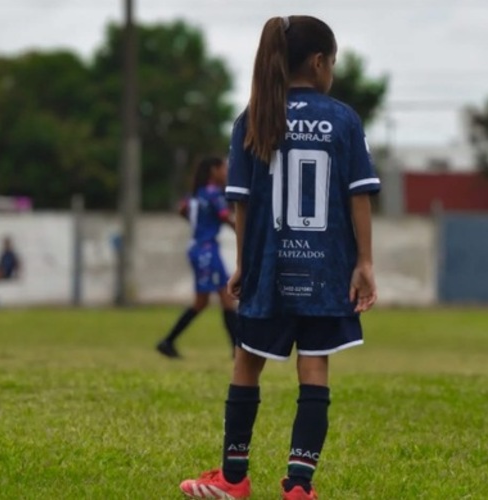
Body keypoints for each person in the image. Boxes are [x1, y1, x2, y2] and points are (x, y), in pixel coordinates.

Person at [179, 15, 380, 500]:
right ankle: (298, 486)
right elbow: (358, 197)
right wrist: (365, 263)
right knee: (314, 368)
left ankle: (233, 477)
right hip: (327, 270)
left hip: (271, 269)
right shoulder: (344, 120)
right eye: (332, 61)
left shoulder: (253, 118)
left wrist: (246, 265)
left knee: (246, 363)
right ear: (319, 62)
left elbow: (242, 203)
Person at [156, 157, 239, 359]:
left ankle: (168, 342)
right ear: (213, 170)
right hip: (207, 250)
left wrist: (199, 224)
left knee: (202, 302)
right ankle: (237, 349)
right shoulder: (214, 194)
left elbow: (182, 209)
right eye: (223, 168)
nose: (226, 172)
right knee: (226, 299)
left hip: (197, 248)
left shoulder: (194, 194)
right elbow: (225, 217)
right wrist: (245, 233)